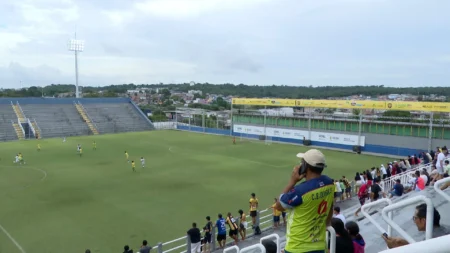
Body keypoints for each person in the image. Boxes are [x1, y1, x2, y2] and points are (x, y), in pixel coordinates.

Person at [276, 149, 334, 253]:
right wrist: (327, 224)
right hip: (319, 246)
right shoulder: (329, 183)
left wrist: (292, 181)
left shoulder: (300, 191)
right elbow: (330, 205)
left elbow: (278, 206)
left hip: (297, 246)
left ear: (305, 167)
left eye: (302, 162)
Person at [382, 204, 449, 248]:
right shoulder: (445, 229)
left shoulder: (431, 241)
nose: (414, 221)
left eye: (415, 218)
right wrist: (406, 244)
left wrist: (395, 248)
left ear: (423, 221)